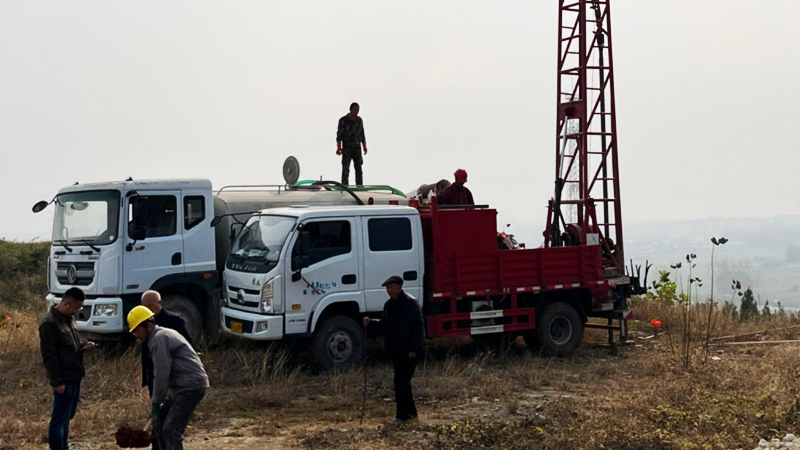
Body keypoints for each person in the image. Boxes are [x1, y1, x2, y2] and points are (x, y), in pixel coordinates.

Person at [128, 306, 209, 450]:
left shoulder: (160, 338)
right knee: (158, 425)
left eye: (136, 330)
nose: (136, 335)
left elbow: (161, 372)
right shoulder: (158, 337)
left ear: (147, 324)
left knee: (171, 430)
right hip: (178, 387)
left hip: (190, 387)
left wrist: (156, 402)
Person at [363, 275, 424, 425]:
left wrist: (414, 348)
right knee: (401, 383)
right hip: (396, 350)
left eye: (391, 287)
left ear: (399, 287)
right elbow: (385, 324)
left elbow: (418, 328)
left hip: (409, 351)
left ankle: (402, 416)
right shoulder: (388, 305)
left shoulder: (410, 303)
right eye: (387, 288)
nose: (389, 290)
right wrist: (371, 323)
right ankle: (409, 415)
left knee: (401, 382)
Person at [39, 287, 94, 450]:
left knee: (67, 417)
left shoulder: (69, 319)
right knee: (59, 419)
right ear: (66, 303)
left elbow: (73, 342)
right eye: (76, 308)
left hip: (75, 375)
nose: (78, 311)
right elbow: (49, 357)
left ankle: (64, 446)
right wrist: (57, 382)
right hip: (63, 379)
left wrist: (84, 345)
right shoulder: (49, 324)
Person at [140, 290, 194, 398]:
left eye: (151, 305)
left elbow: (187, 343)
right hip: (152, 367)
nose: (148, 309)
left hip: (171, 367)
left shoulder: (174, 320)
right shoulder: (143, 323)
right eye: (144, 307)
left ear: (160, 303)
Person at [336, 102, 368, 186]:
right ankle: (345, 186)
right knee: (346, 169)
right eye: (355, 110)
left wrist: (365, 147)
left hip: (357, 148)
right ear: (350, 110)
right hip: (347, 148)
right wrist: (339, 148)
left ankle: (359, 186)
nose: (356, 112)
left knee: (359, 169)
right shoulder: (343, 121)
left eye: (357, 110)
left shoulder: (359, 120)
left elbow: (362, 134)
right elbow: (339, 136)